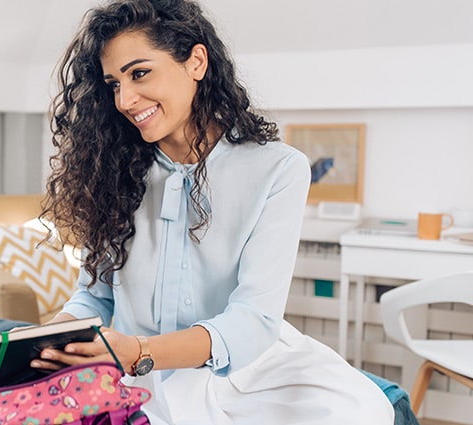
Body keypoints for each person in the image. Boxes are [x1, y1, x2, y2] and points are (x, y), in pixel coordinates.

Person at [32, 1, 394, 424]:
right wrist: (48, 339)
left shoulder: (279, 169)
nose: (126, 99)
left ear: (196, 62)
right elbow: (95, 296)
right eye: (113, 84)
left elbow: (254, 320)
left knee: (365, 411)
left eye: (140, 73)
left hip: (242, 371)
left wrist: (140, 353)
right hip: (134, 372)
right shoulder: (112, 171)